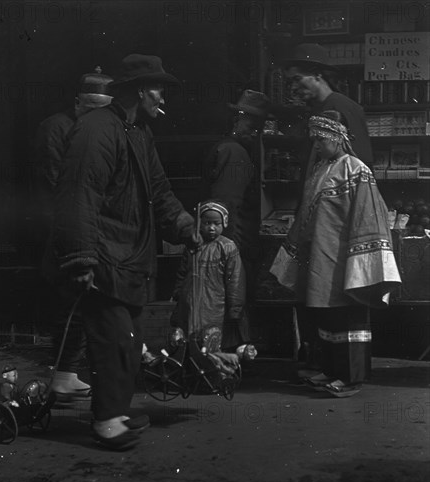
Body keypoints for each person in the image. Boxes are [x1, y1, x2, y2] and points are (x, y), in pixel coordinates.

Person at [44, 54, 198, 450]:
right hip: (104, 255)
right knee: (112, 340)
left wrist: (184, 225)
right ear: (142, 90)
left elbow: (160, 190)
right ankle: (106, 421)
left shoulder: (138, 132)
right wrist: (81, 258)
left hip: (130, 257)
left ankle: (115, 409)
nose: (163, 95)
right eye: (159, 88)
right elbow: (78, 196)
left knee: (127, 341)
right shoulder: (96, 130)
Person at [269, 110, 401, 397]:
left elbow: (368, 215)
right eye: (313, 140)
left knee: (348, 317)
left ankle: (351, 378)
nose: (316, 145)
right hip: (320, 256)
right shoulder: (320, 169)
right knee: (325, 316)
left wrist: (361, 258)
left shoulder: (356, 169)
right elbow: (306, 212)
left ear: (337, 138)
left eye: (320, 139)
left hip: (345, 257)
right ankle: (330, 370)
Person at [36, 67, 114, 403]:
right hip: (66, 224)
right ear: (77, 102)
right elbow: (57, 184)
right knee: (71, 299)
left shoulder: (101, 130)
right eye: (89, 109)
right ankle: (62, 373)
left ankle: (69, 372)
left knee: (88, 300)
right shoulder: (56, 128)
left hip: (93, 223)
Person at [204, 90, 273, 296]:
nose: (254, 133)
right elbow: (227, 207)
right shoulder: (235, 152)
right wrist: (229, 253)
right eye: (251, 126)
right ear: (237, 120)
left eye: (258, 129)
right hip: (235, 247)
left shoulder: (230, 149)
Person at [283, 43, 373, 171]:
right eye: (290, 82)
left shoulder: (340, 106)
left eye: (297, 79)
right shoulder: (320, 108)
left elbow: (358, 164)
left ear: (316, 74)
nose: (293, 88)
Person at [170, 200, 247, 350]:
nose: (211, 228)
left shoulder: (227, 247)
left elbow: (235, 279)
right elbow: (182, 273)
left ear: (224, 223)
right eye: (207, 223)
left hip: (215, 305)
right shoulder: (192, 246)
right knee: (188, 338)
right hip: (190, 303)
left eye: (216, 223)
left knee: (212, 339)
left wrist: (235, 308)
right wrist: (178, 293)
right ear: (199, 223)